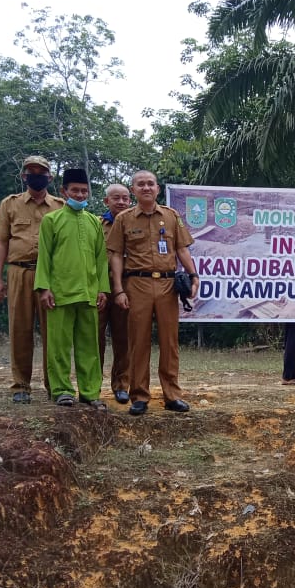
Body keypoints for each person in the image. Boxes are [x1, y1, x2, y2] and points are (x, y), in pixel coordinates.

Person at [107, 170, 199, 415]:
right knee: (138, 342)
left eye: (150, 184)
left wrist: (194, 276)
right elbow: (115, 255)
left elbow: (181, 249)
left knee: (170, 342)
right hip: (137, 285)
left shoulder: (171, 216)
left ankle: (172, 395)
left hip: (168, 285)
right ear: (133, 190)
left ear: (157, 189)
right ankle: (139, 396)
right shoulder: (124, 219)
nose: (146, 188)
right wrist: (118, 289)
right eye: (141, 184)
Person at [0, 155, 65, 403]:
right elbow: (2, 242)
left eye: (41, 172)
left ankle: (54, 384)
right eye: (31, 171)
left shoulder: (60, 206)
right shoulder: (10, 204)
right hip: (19, 272)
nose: (36, 175)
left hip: (52, 276)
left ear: (50, 177)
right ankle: (21, 385)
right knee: (20, 329)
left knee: (53, 331)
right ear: (23, 176)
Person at [34, 168, 110, 409]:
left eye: (84, 191)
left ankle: (90, 392)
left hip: (88, 293)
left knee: (89, 346)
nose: (79, 195)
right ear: (63, 192)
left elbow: (101, 259)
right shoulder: (51, 220)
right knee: (58, 344)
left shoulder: (94, 222)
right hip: (60, 293)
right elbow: (44, 257)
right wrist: (44, 289)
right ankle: (61, 390)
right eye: (75, 190)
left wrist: (102, 289)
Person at [97, 183, 132, 403]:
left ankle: (121, 385)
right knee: (94, 338)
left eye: (125, 199)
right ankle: (92, 385)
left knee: (124, 338)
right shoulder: (95, 224)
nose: (121, 202)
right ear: (106, 201)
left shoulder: (135, 223)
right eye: (116, 198)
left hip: (127, 287)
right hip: (99, 287)